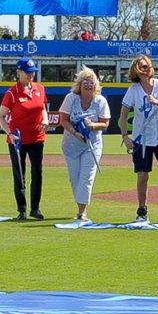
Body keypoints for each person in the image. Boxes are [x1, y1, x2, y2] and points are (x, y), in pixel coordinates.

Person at [118, 55, 158, 224]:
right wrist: (125, 136)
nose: (144, 70)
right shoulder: (134, 90)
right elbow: (123, 115)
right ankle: (142, 210)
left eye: (146, 67)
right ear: (135, 72)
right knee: (143, 175)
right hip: (143, 138)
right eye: (140, 68)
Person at [0, 57, 49, 221]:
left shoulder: (40, 89)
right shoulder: (12, 93)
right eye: (28, 72)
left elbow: (43, 109)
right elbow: (1, 117)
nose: (31, 75)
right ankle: (22, 209)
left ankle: (35, 208)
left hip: (37, 137)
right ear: (19, 72)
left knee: (37, 173)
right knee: (20, 174)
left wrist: (45, 120)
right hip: (17, 140)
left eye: (33, 72)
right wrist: (9, 134)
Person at [59, 67, 110, 222]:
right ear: (79, 84)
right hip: (72, 144)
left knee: (86, 178)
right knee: (74, 179)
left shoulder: (101, 101)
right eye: (85, 82)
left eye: (92, 82)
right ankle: (79, 204)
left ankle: (82, 212)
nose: (88, 85)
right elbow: (64, 120)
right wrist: (75, 132)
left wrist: (92, 125)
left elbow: (105, 123)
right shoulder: (71, 98)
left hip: (92, 145)